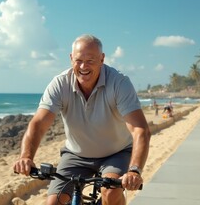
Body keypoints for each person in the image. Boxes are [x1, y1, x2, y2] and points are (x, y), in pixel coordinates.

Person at [12, 34, 151, 205]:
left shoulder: (119, 83)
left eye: (91, 60)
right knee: (53, 203)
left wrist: (135, 171)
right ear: (71, 59)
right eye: (79, 60)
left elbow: (140, 130)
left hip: (116, 153)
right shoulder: (60, 84)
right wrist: (26, 156)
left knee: (110, 193)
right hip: (76, 155)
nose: (84, 66)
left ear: (102, 59)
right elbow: (39, 123)